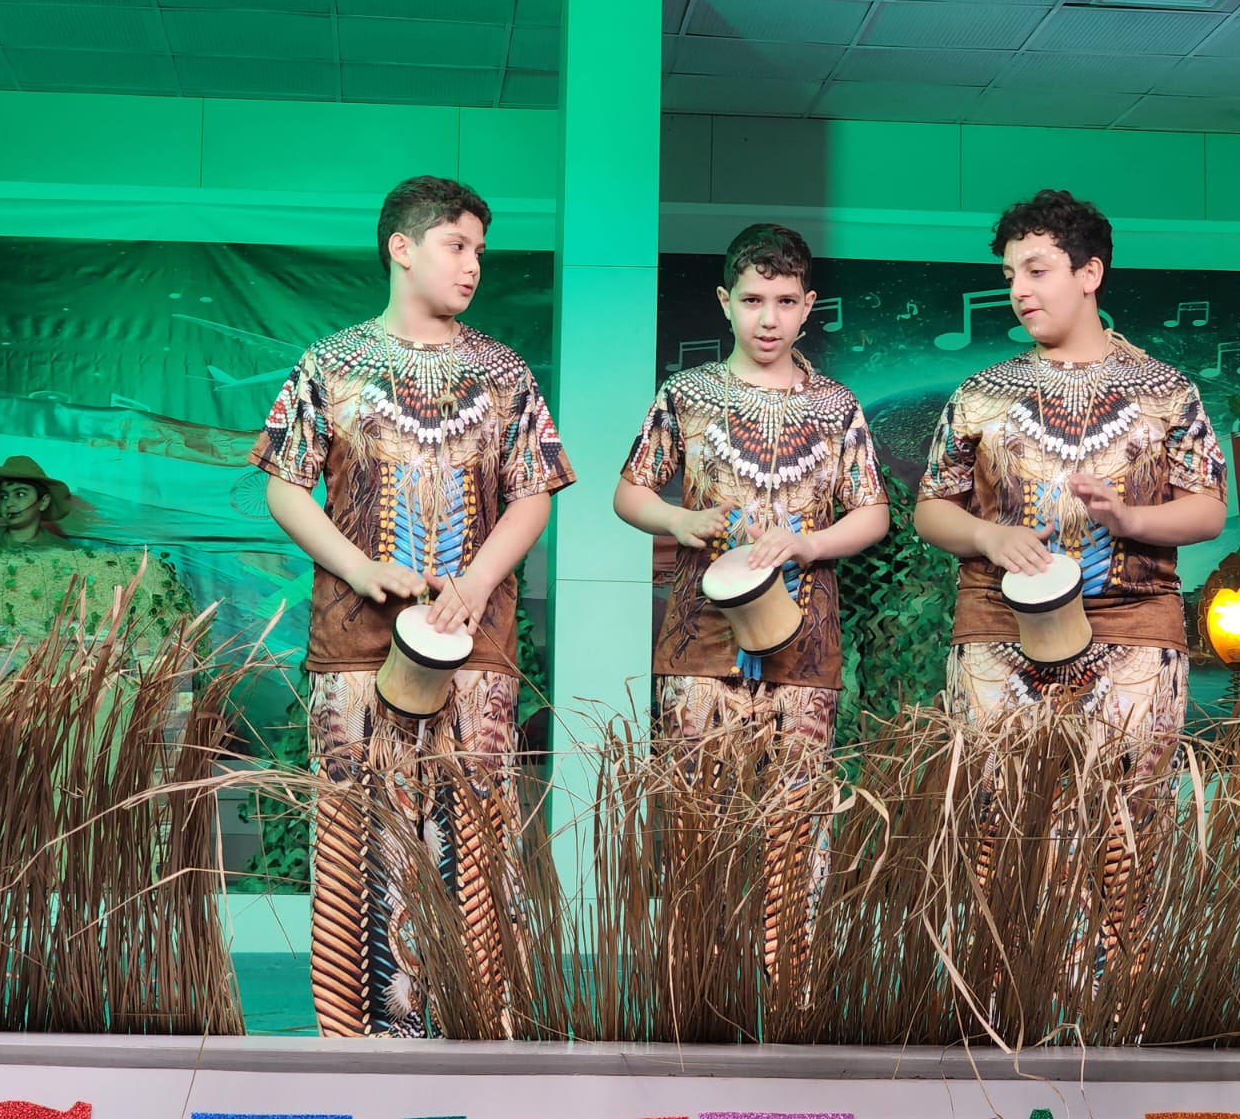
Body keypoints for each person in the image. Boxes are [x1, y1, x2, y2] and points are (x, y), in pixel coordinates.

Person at [250, 175, 574, 1038]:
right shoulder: (330, 363)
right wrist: (359, 567)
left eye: (479, 251)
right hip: (356, 646)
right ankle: (355, 1044)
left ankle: (481, 1036)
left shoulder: (505, 372)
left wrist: (476, 583)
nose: (473, 265)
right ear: (401, 247)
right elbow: (285, 486)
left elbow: (532, 496)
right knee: (357, 838)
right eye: (455, 245)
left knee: (478, 840)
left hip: (477, 645)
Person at [914, 188, 1227, 997]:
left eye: (1037, 269)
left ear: (1090, 273)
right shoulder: (980, 393)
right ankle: (998, 1012)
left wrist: (1130, 517)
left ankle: (1117, 1016)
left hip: (1134, 631)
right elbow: (929, 509)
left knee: (1125, 830)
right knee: (996, 826)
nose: (1019, 289)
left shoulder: (1167, 389)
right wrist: (988, 537)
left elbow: (1209, 509)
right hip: (997, 632)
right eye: (1010, 274)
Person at [613, 222, 889, 991]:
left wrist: (810, 543)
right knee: (694, 826)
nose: (769, 318)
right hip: (699, 644)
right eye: (753, 300)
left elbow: (873, 513)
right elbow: (629, 492)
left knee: (796, 829)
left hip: (805, 645)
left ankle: (790, 999)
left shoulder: (837, 405)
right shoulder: (686, 395)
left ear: (808, 307)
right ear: (724, 302)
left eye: (785, 301)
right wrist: (678, 521)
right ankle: (693, 1003)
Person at [0, 455, 74, 561]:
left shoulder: (63, 552)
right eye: (4, 496)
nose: (9, 503)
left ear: (43, 502)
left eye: (20, 494)